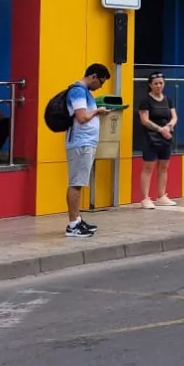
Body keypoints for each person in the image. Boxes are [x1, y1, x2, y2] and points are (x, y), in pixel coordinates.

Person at [65, 64, 113, 237]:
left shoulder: (85, 92)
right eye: (100, 82)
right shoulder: (78, 91)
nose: (100, 86)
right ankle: (72, 225)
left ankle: (77, 220)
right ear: (93, 76)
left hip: (86, 143)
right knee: (76, 184)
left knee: (79, 183)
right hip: (80, 143)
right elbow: (82, 117)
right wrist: (98, 111)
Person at [137, 72, 178, 209]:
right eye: (155, 83)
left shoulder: (168, 99)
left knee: (163, 167)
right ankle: (145, 198)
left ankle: (161, 196)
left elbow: (174, 117)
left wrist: (169, 126)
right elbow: (145, 120)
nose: (158, 86)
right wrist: (160, 129)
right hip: (150, 138)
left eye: (161, 83)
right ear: (150, 85)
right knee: (148, 167)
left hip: (166, 138)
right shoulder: (145, 101)